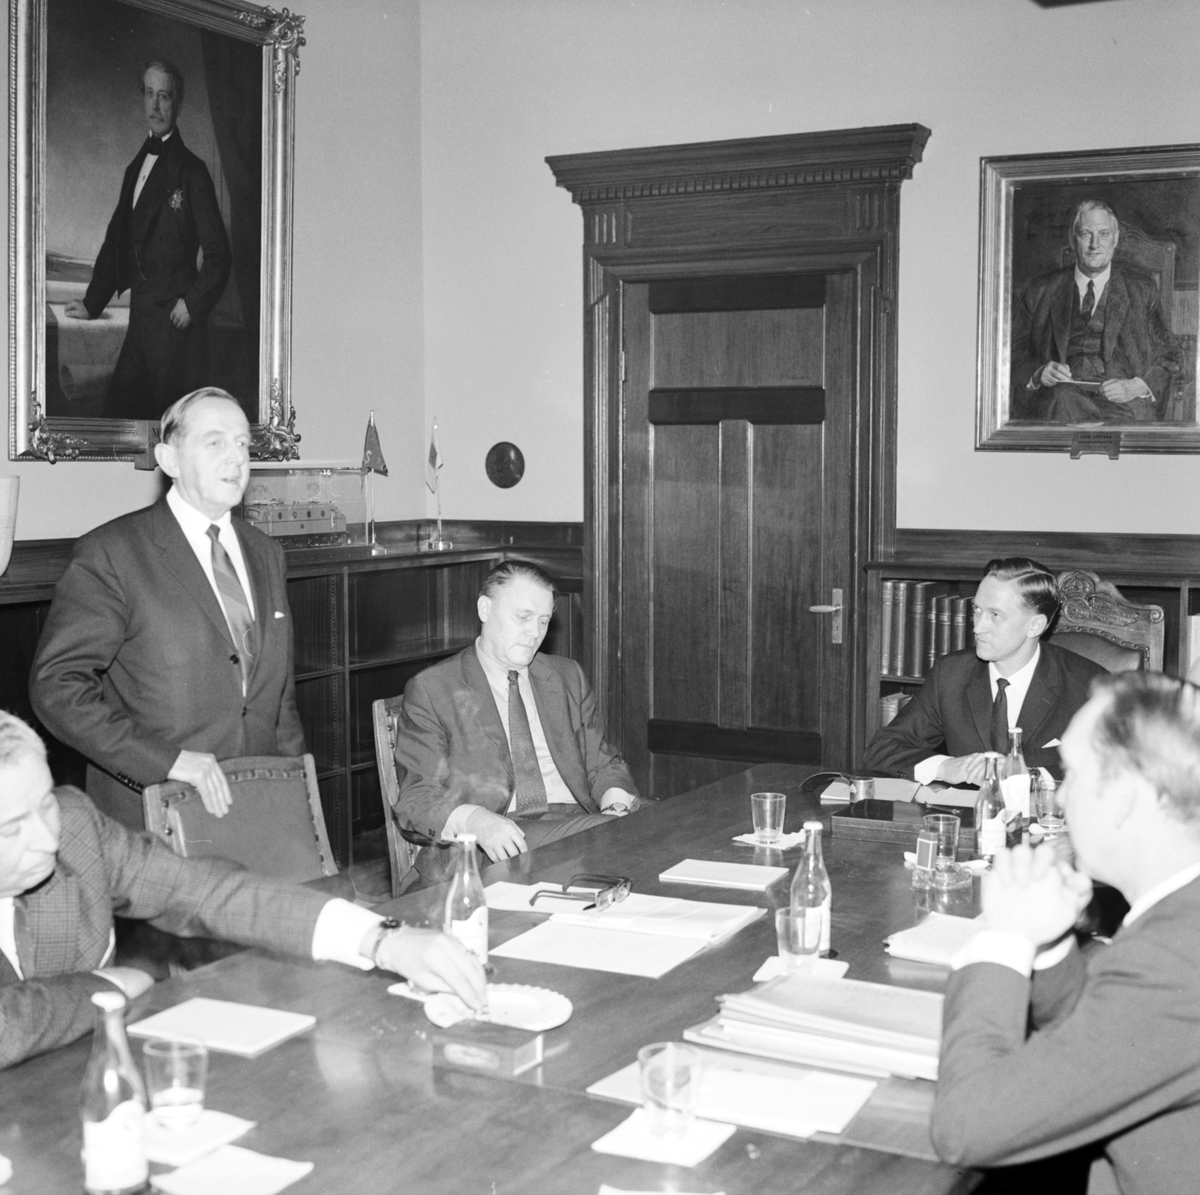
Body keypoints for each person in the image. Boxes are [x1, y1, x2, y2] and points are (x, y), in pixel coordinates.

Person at [0, 712, 485, 1070]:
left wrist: (383, 939)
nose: (47, 838)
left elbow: (212, 893)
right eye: (12, 828)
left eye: (45, 805)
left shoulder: (76, 826)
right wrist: (103, 989)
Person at [931, 672, 1200, 1192]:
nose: (1057, 801)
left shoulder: (1176, 961)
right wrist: (1050, 942)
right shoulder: (1178, 916)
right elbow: (1109, 1039)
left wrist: (1005, 936)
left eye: (1071, 776)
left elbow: (966, 1129)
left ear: (1123, 798)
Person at [31, 388, 300, 830]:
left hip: (259, 808)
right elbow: (57, 687)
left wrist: (295, 793)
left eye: (242, 443)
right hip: (156, 815)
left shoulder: (266, 553)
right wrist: (167, 761)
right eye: (215, 442)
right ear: (169, 460)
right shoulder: (113, 553)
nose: (236, 458)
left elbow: (280, 697)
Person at [394, 561, 641, 881]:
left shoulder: (567, 676)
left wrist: (617, 810)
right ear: (485, 609)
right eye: (523, 617)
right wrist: (476, 821)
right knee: (648, 830)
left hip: (579, 826)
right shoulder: (434, 688)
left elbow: (604, 764)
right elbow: (416, 798)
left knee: (659, 819)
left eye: (543, 621)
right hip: (497, 840)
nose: (535, 633)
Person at [64, 59, 231, 420]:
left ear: (177, 103)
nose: (155, 106)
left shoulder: (193, 171)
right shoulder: (134, 168)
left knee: (166, 433)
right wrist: (93, 303)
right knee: (118, 422)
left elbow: (219, 255)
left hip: (175, 332)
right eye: (149, 94)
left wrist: (192, 304)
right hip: (140, 325)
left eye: (164, 96)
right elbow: (116, 241)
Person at [864, 558, 1107, 783]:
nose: (978, 627)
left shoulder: (1090, 685)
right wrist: (944, 767)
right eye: (977, 610)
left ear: (1035, 626)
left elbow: (1113, 769)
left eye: (995, 615)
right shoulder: (951, 675)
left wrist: (1032, 776)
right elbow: (883, 748)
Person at [1010, 199, 1180, 423]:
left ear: (1115, 239)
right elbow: (1011, 352)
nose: (1094, 244)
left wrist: (1136, 386)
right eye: (1085, 234)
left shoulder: (1142, 289)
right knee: (1063, 398)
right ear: (1073, 239)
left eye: (1104, 234)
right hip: (1058, 403)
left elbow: (1169, 356)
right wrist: (1039, 372)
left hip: (1124, 406)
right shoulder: (1041, 289)